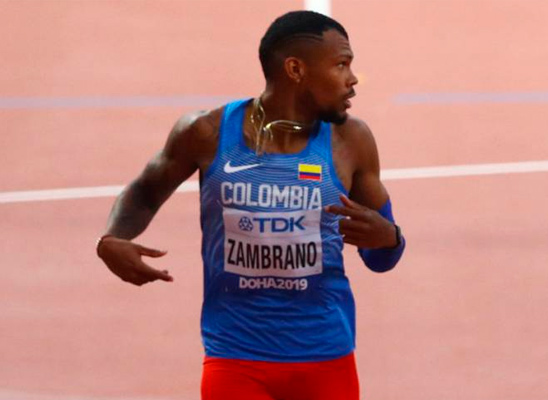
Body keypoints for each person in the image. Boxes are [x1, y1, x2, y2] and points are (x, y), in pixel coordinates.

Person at [95, 11, 405, 400]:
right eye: (342, 64)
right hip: (235, 358)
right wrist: (111, 238)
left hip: (325, 357)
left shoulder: (351, 141)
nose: (352, 79)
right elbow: (144, 191)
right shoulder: (206, 133)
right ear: (295, 69)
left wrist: (389, 238)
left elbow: (383, 258)